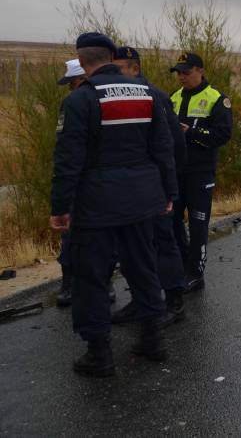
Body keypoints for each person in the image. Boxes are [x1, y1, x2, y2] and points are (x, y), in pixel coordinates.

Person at [50, 33, 178, 377]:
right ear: (110, 56)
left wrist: (60, 207)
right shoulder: (147, 94)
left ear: (83, 60)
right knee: (143, 266)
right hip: (143, 200)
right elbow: (164, 150)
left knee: (91, 277)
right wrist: (169, 193)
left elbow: (68, 160)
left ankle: (99, 352)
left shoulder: (80, 100)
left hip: (97, 206)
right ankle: (153, 339)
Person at [110, 47, 188, 327]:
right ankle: (141, 299)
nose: (115, 75)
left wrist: (169, 183)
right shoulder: (114, 97)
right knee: (130, 248)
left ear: (135, 69)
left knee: (163, 242)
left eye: (120, 69)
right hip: (128, 190)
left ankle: (175, 301)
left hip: (154, 186)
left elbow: (174, 145)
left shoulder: (154, 96)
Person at [169, 52, 233, 292]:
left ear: (200, 71)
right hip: (175, 172)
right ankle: (182, 265)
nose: (182, 77)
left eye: (186, 72)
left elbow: (223, 135)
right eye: (179, 72)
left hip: (201, 172)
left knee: (197, 225)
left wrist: (191, 133)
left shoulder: (216, 98)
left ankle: (196, 273)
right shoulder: (173, 97)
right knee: (172, 221)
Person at [55, 58, 89, 308]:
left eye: (73, 83)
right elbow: (64, 148)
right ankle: (68, 283)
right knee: (69, 234)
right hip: (78, 179)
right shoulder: (70, 104)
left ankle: (104, 282)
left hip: (96, 181)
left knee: (102, 236)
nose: (70, 89)